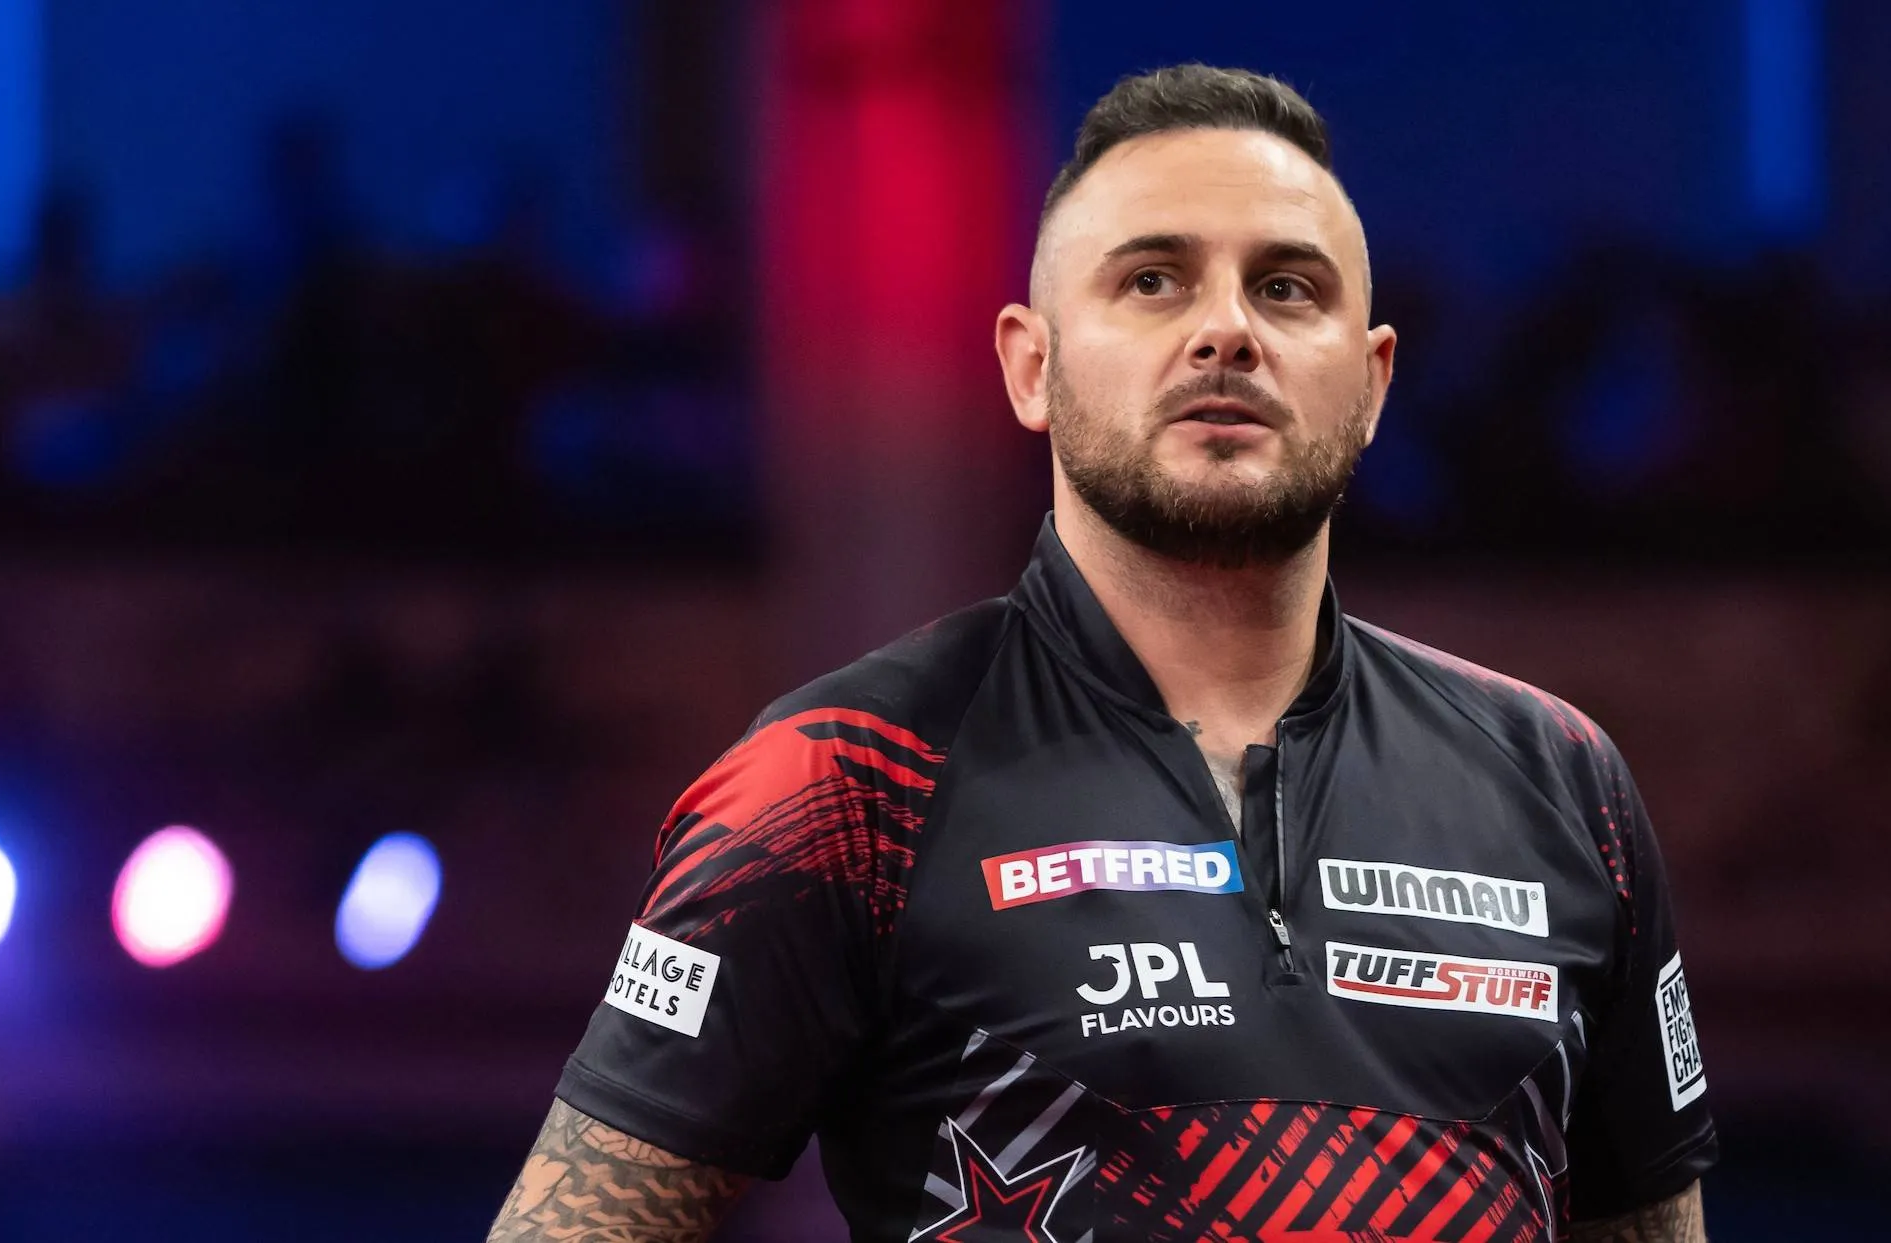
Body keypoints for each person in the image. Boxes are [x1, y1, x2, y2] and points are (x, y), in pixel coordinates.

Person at [486, 65, 1716, 1243]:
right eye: (1152, 282)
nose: (1227, 330)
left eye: (1288, 287)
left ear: (1375, 378)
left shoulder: (1562, 778)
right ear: (1032, 364)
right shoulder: (839, 781)